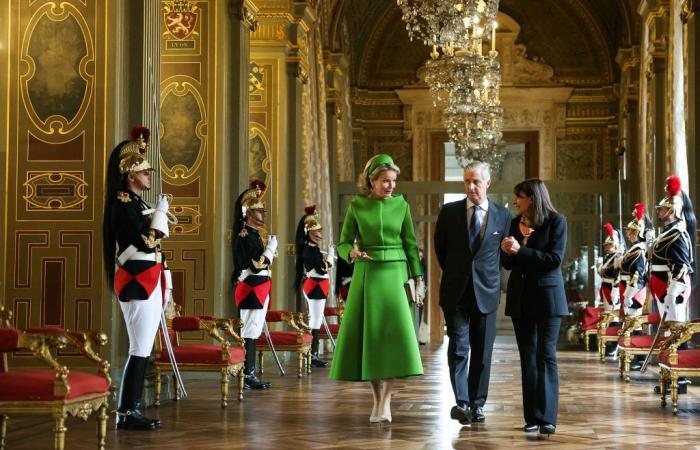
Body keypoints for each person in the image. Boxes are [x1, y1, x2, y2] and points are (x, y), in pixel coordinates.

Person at [329, 153, 426, 424]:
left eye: (393, 181)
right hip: (367, 273)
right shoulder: (357, 206)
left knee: (394, 337)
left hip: (396, 275)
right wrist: (352, 253)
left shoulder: (402, 206)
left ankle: (386, 399)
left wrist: (418, 278)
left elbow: (410, 244)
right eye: (385, 181)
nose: (390, 186)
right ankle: (377, 399)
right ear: (371, 181)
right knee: (370, 337)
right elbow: (343, 242)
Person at [103, 126, 172, 431]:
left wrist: (156, 214)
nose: (148, 177)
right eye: (144, 174)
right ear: (130, 177)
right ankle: (127, 411)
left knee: (143, 347)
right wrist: (159, 218)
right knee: (139, 347)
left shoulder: (139, 205)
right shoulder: (123, 204)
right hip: (136, 280)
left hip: (150, 277)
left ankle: (130, 409)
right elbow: (145, 242)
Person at [433, 161, 511, 425]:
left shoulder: (503, 216)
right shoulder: (449, 212)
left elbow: (501, 255)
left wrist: (484, 277)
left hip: (486, 293)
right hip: (455, 292)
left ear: (487, 183)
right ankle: (462, 402)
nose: (471, 186)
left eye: (476, 181)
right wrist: (459, 274)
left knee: (482, 353)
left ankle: (478, 405)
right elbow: (440, 251)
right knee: (458, 348)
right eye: (467, 181)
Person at [501, 178, 568, 436]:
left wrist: (521, 251)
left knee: (546, 356)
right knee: (528, 358)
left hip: (548, 300)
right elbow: (508, 264)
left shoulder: (556, 221)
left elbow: (554, 260)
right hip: (521, 298)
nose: (515, 201)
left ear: (532, 198)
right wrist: (507, 251)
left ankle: (548, 418)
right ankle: (532, 417)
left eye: (519, 196)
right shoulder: (512, 223)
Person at [232, 180, 278, 390]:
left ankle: (249, 373)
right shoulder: (245, 235)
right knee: (249, 330)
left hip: (259, 287)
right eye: (259, 212)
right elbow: (257, 265)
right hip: (251, 286)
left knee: (254, 329)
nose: (264, 215)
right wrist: (270, 250)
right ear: (248, 213)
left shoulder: (254, 234)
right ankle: (247, 374)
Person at [295, 205, 333, 368]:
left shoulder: (313, 248)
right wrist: (330, 256)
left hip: (319, 285)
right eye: (315, 233)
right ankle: (313, 353)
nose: (319, 235)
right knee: (315, 321)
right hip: (315, 285)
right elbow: (322, 268)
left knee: (316, 319)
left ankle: (313, 353)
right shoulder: (309, 250)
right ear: (308, 234)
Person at [599, 223, 622, 314]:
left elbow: (618, 275)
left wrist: (615, 290)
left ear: (615, 245)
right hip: (605, 285)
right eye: (606, 245)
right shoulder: (608, 257)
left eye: (610, 245)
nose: (607, 247)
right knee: (607, 311)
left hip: (613, 287)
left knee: (613, 313)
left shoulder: (618, 257)